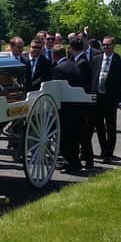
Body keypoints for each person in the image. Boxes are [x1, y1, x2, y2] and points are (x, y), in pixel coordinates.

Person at [53, 43, 92, 172]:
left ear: (54, 56)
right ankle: (75, 162)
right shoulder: (74, 65)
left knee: (66, 137)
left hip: (66, 107)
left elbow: (57, 91)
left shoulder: (59, 69)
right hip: (77, 105)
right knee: (75, 136)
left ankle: (70, 162)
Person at [89, 35, 121, 162]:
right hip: (97, 97)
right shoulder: (96, 59)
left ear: (113, 45)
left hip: (111, 99)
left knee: (110, 127)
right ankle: (103, 150)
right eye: (103, 45)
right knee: (99, 126)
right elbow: (92, 78)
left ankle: (109, 153)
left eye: (108, 44)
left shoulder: (120, 60)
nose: (105, 47)